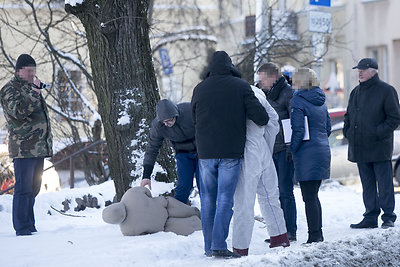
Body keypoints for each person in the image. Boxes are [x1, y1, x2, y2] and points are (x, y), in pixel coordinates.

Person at [191, 51, 269, 258]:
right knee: (225, 198)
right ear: (230, 65)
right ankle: (218, 244)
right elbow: (261, 118)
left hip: (205, 152)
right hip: (230, 152)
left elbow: (194, 117)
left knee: (207, 199)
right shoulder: (241, 86)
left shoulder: (199, 88)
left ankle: (209, 247)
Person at [232, 85, 290, 257]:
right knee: (270, 195)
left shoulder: (231, 92)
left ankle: (240, 247)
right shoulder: (255, 91)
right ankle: (279, 236)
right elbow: (273, 120)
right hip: (262, 145)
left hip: (245, 148)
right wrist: (267, 145)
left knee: (244, 200)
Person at [0, 54, 53, 236]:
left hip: (38, 147)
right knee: (23, 189)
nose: (32, 74)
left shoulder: (30, 88)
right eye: (28, 71)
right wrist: (34, 93)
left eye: (34, 71)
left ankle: (30, 225)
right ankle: (22, 228)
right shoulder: (9, 90)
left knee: (34, 188)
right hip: (23, 148)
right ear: (19, 70)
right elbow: (19, 112)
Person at [344, 58, 400, 229]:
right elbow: (348, 116)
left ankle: (388, 217)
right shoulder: (355, 92)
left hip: (379, 146)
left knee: (384, 184)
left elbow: (394, 118)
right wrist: (348, 133)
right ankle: (370, 216)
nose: (359, 73)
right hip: (359, 147)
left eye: (362, 69)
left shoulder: (386, 90)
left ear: (373, 71)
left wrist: (377, 133)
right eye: (358, 70)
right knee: (367, 185)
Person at [257, 62, 297, 241]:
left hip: (284, 150)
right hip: (269, 148)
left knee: (286, 191)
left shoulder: (288, 93)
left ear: (273, 77)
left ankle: (290, 230)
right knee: (273, 192)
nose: (260, 83)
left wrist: (290, 148)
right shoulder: (262, 94)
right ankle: (279, 231)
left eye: (263, 79)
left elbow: (294, 123)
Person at [290, 68, 331, 243]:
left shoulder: (298, 100)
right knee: (313, 195)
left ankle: (314, 235)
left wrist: (292, 149)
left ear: (301, 81)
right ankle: (317, 233)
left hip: (306, 153)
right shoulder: (320, 99)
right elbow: (328, 128)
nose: (292, 83)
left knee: (309, 197)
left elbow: (298, 130)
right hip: (322, 150)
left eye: (294, 80)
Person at [140, 99, 199, 205]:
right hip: (183, 153)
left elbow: (209, 125)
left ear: (175, 115)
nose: (167, 124)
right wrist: (146, 175)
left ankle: (208, 215)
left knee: (204, 184)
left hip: (201, 151)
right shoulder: (158, 126)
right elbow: (152, 148)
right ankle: (177, 212)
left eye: (169, 120)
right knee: (184, 185)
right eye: (164, 121)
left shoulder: (189, 111)